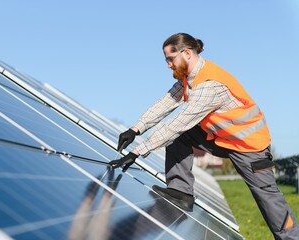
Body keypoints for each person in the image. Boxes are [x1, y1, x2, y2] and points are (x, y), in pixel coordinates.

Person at [109, 33, 299, 239]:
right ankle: (181, 191)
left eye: (170, 59)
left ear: (187, 53)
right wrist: (135, 129)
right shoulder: (188, 79)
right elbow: (165, 103)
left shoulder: (209, 85)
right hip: (220, 138)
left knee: (268, 197)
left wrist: (137, 152)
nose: (168, 65)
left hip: (248, 145)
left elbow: (177, 123)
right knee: (178, 136)